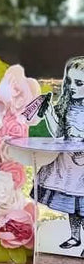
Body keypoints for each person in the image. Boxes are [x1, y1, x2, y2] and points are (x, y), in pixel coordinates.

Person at [34, 56, 84, 252]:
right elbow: (58, 133)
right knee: (73, 206)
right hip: (68, 166)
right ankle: (75, 237)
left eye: (79, 83)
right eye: (69, 81)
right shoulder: (68, 106)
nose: (72, 87)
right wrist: (48, 113)